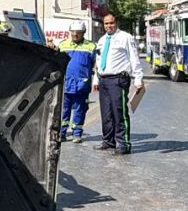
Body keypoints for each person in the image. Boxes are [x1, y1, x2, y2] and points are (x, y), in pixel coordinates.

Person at [93, 14, 143, 155]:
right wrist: (96, 80)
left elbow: (134, 58)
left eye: (111, 23)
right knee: (106, 113)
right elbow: (98, 61)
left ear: (116, 23)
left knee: (119, 112)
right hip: (104, 80)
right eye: (106, 23)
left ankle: (123, 143)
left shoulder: (126, 37)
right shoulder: (102, 40)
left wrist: (138, 78)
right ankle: (108, 141)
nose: (109, 26)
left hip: (118, 80)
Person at [58, 21, 96, 143]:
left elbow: (96, 65)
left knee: (80, 109)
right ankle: (61, 133)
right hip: (66, 84)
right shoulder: (63, 45)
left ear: (83, 33)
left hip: (82, 85)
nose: (75, 34)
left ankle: (77, 134)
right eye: (73, 32)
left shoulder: (91, 46)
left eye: (78, 32)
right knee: (63, 110)